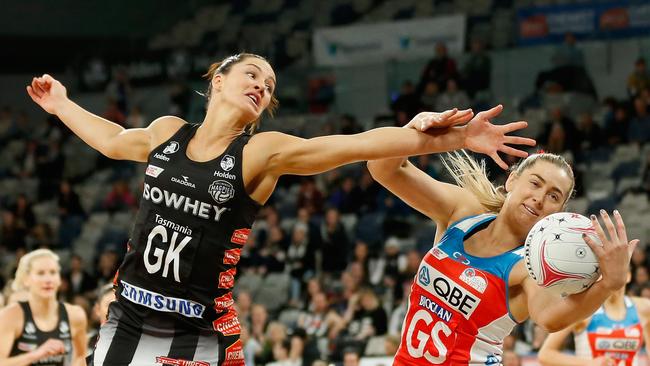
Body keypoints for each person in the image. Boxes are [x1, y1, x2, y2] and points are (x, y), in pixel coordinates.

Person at [27, 52, 533, 366]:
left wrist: (452, 135)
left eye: (268, 86)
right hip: (129, 314)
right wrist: (61, 106)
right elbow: (114, 140)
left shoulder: (258, 153)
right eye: (252, 75)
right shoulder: (166, 132)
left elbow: (354, 145)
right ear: (218, 79)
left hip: (198, 329)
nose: (261, 87)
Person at [367, 115, 638, 365]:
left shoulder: (531, 266)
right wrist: (416, 128)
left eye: (554, 196)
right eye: (535, 183)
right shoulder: (463, 211)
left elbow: (549, 319)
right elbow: (381, 168)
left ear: (559, 213)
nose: (540, 198)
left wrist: (608, 285)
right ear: (512, 181)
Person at [0, 249, 88, 366]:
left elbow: (81, 356)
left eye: (53, 272)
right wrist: (37, 354)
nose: (48, 280)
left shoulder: (75, 315)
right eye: (40, 273)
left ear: (59, 279)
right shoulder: (10, 315)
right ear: (26, 279)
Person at [538, 277, 650, 366]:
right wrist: (589, 363)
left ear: (628, 276)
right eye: (607, 272)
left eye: (619, 270)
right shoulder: (583, 308)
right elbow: (545, 355)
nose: (613, 274)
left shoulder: (643, 308)